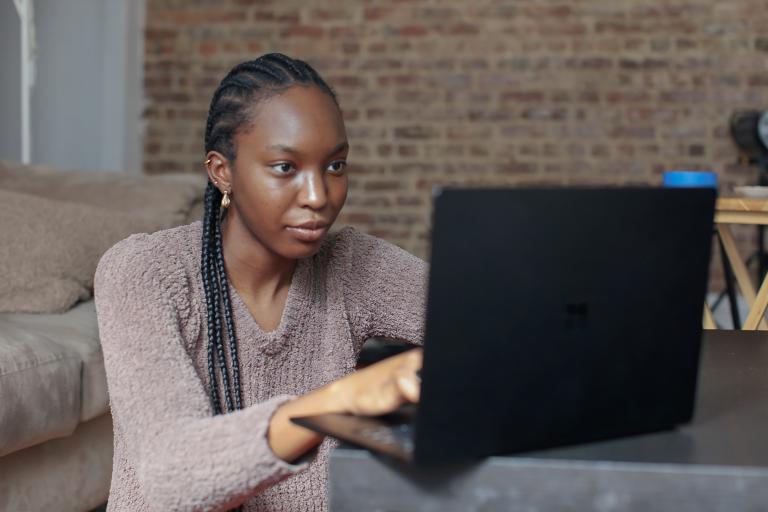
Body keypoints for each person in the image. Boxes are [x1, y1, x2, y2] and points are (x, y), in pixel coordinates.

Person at [94, 53, 427, 511]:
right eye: (285, 168)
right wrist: (337, 404)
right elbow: (172, 475)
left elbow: (488, 322)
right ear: (221, 171)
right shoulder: (144, 271)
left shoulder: (352, 264)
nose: (318, 197)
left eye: (334, 166)